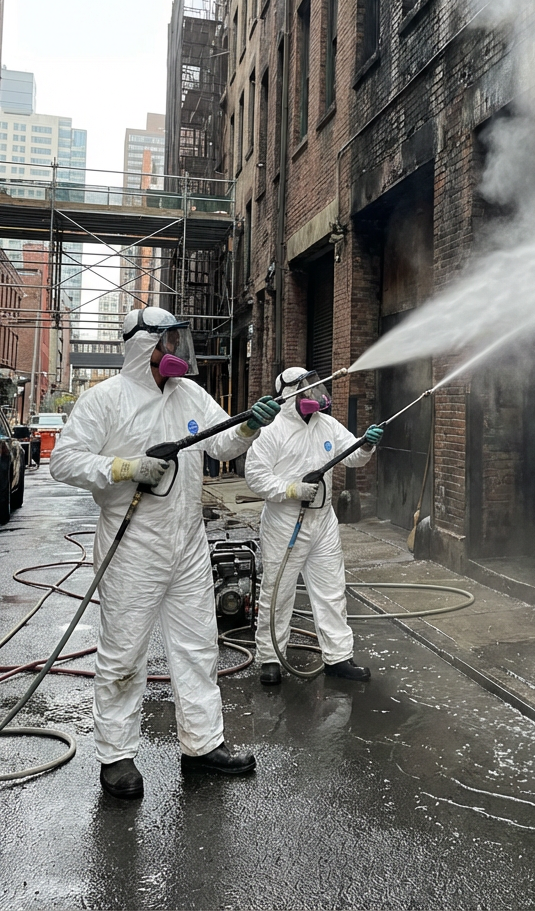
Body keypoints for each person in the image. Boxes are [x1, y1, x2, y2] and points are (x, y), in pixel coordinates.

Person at [49, 306, 281, 800]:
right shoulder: (104, 401)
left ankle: (202, 744)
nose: (176, 352)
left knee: (199, 647)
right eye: (168, 343)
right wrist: (124, 468)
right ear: (143, 347)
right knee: (125, 651)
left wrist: (250, 428)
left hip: (189, 543)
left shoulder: (189, 393)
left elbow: (221, 446)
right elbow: (63, 461)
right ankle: (116, 755)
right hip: (133, 546)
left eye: (178, 342)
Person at [244, 367, 383, 686]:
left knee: (332, 590)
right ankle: (270, 657)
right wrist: (291, 489)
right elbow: (255, 476)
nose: (313, 391)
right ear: (288, 394)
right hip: (284, 524)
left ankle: (338, 657)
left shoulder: (327, 425)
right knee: (277, 593)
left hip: (323, 521)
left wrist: (366, 445)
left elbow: (353, 458)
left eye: (314, 385)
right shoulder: (273, 430)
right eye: (306, 387)